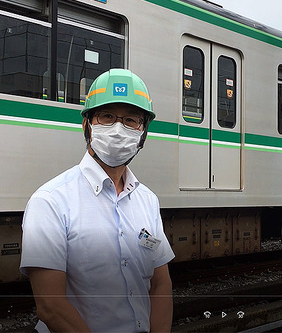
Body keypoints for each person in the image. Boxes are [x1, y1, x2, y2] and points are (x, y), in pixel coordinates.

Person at [20, 69, 175, 333]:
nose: (118, 129)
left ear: (143, 134)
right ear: (87, 125)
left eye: (130, 120)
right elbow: (50, 305)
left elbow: (161, 285)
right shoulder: (50, 201)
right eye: (107, 117)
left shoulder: (147, 200)